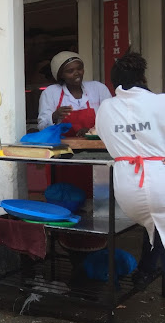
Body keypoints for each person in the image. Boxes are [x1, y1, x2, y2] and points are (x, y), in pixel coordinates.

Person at [96, 52, 165, 295]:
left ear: (114, 84)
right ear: (143, 78)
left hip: (127, 190)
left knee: (154, 230)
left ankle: (145, 271)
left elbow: (106, 139)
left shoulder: (105, 108)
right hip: (159, 181)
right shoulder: (160, 102)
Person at [38, 51, 112, 136]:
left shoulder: (98, 88)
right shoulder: (50, 93)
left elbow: (111, 119)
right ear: (61, 75)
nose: (77, 73)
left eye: (79, 68)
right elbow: (41, 126)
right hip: (62, 147)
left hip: (96, 146)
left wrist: (92, 130)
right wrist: (55, 116)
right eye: (70, 71)